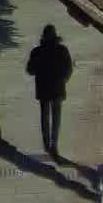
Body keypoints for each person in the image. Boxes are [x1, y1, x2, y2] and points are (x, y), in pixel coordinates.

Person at [25, 23, 74, 157]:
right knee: (56, 118)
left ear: (43, 36)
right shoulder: (62, 50)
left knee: (45, 117)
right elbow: (68, 68)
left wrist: (37, 64)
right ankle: (54, 144)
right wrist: (63, 80)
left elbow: (30, 70)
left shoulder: (37, 51)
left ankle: (47, 144)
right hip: (57, 88)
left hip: (43, 89)